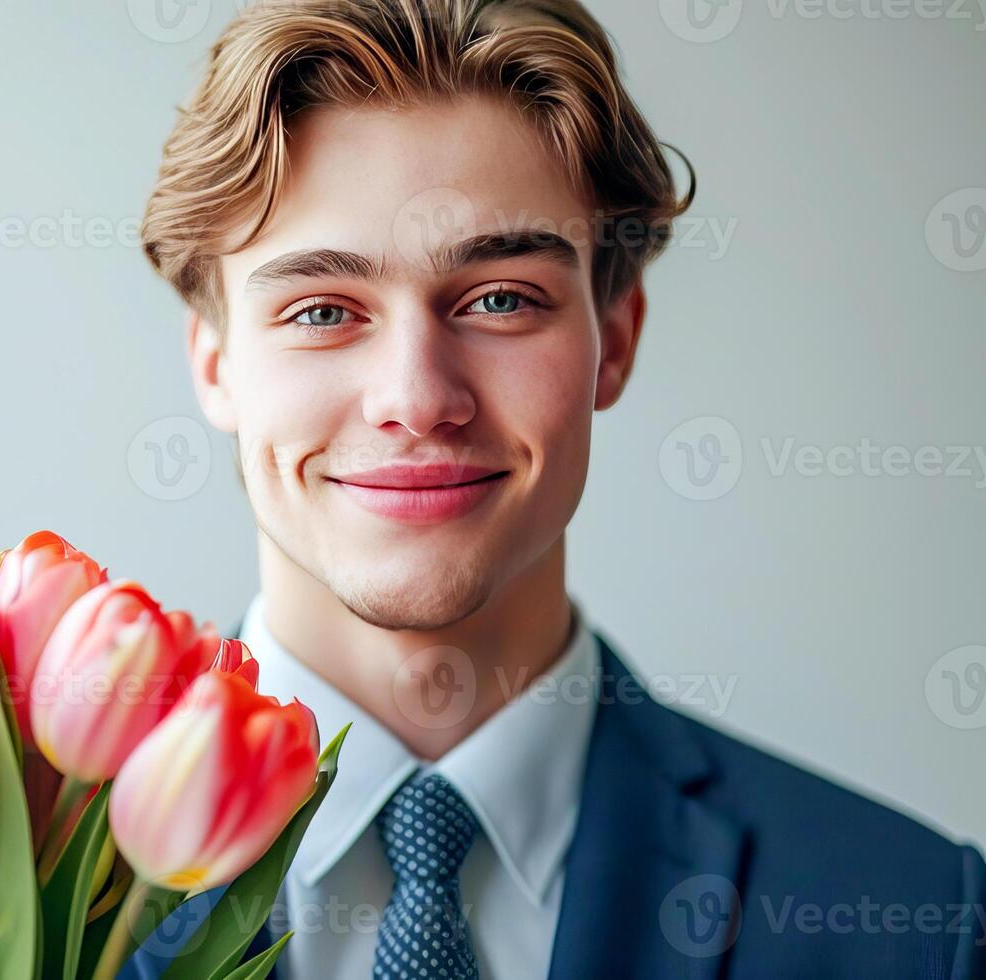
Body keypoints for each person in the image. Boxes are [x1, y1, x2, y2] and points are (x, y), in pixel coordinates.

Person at [124, 0, 986, 977]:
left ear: (614, 339)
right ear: (215, 363)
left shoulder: (917, 919)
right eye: (322, 308)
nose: (417, 397)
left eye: (500, 299)